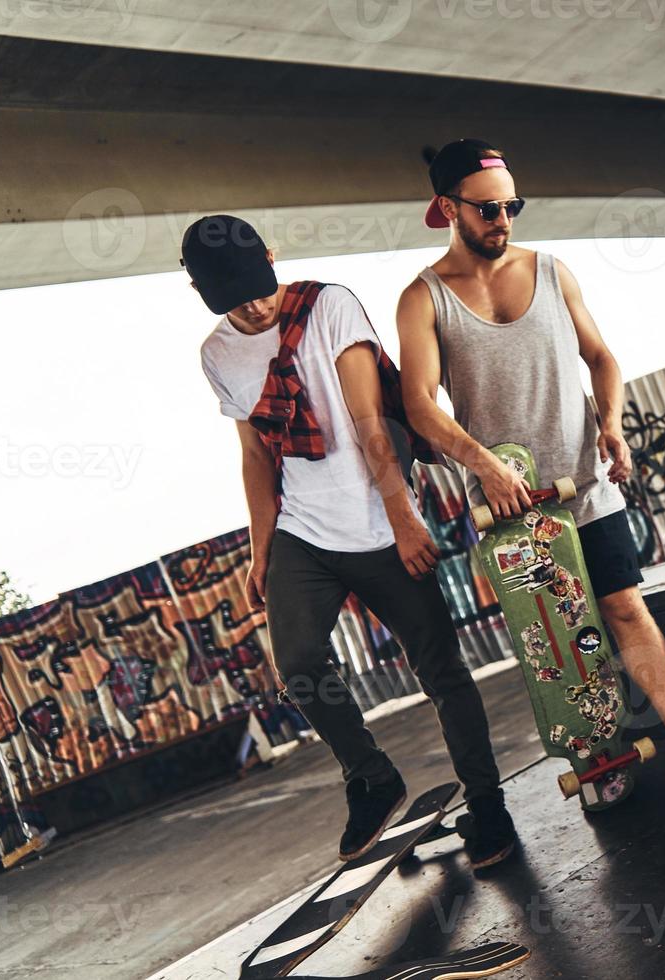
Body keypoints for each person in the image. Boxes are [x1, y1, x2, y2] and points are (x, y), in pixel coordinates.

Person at [396, 139, 665, 793]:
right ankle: (595, 752)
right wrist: (485, 467)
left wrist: (612, 422)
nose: (503, 220)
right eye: (488, 209)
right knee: (552, 633)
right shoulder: (423, 299)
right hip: (511, 508)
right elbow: (419, 406)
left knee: (623, 607)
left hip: (581, 479)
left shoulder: (552, 271)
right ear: (447, 207)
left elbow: (602, 358)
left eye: (512, 206)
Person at [186, 215, 518, 867]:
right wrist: (261, 549)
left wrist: (399, 510)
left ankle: (490, 809)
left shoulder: (327, 306)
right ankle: (369, 776)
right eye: (233, 300)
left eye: (260, 288)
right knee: (302, 664)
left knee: (441, 670)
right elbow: (255, 455)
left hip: (376, 518)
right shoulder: (216, 354)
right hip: (302, 532)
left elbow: (367, 416)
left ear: (273, 259)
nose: (253, 308)